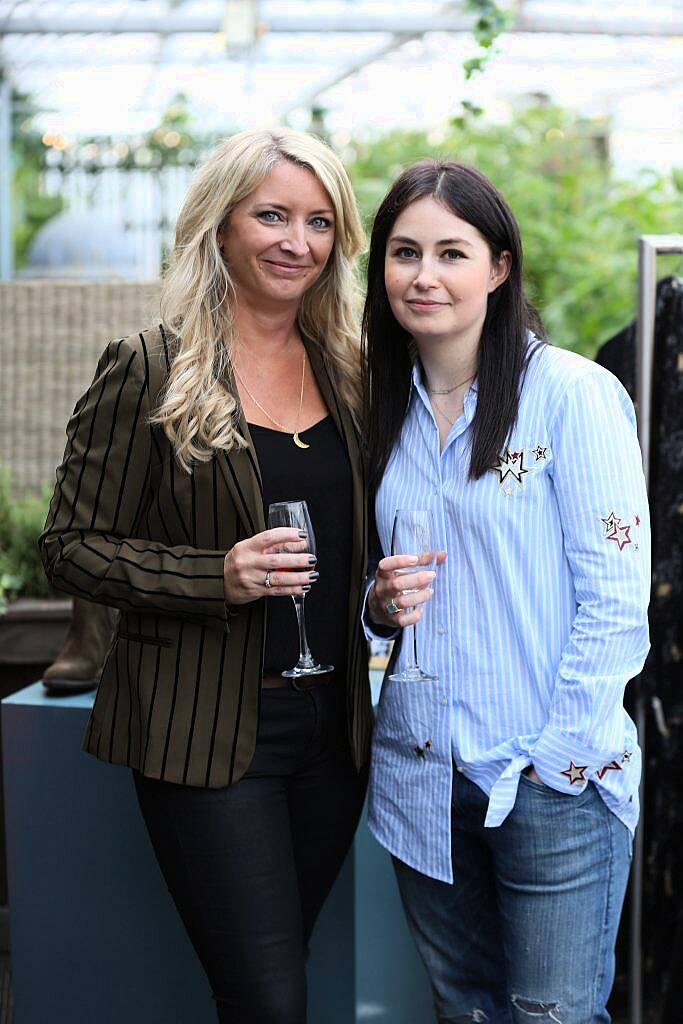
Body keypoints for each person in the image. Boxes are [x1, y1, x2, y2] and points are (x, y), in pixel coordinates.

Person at [39, 127, 371, 1024]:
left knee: (274, 979)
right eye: (270, 215)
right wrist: (211, 576)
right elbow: (68, 545)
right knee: (266, 999)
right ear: (219, 226)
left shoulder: (351, 371)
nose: (295, 242)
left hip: (334, 731)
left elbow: (359, 543)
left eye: (318, 222)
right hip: (210, 735)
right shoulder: (150, 365)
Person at [362, 159, 650, 1024]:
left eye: (451, 252)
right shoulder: (380, 405)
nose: (424, 275)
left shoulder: (571, 395)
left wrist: (556, 764)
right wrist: (376, 611)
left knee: (551, 1016)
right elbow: (377, 603)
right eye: (404, 252)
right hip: (422, 777)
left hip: (548, 778)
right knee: (466, 1011)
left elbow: (615, 595)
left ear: (498, 267)